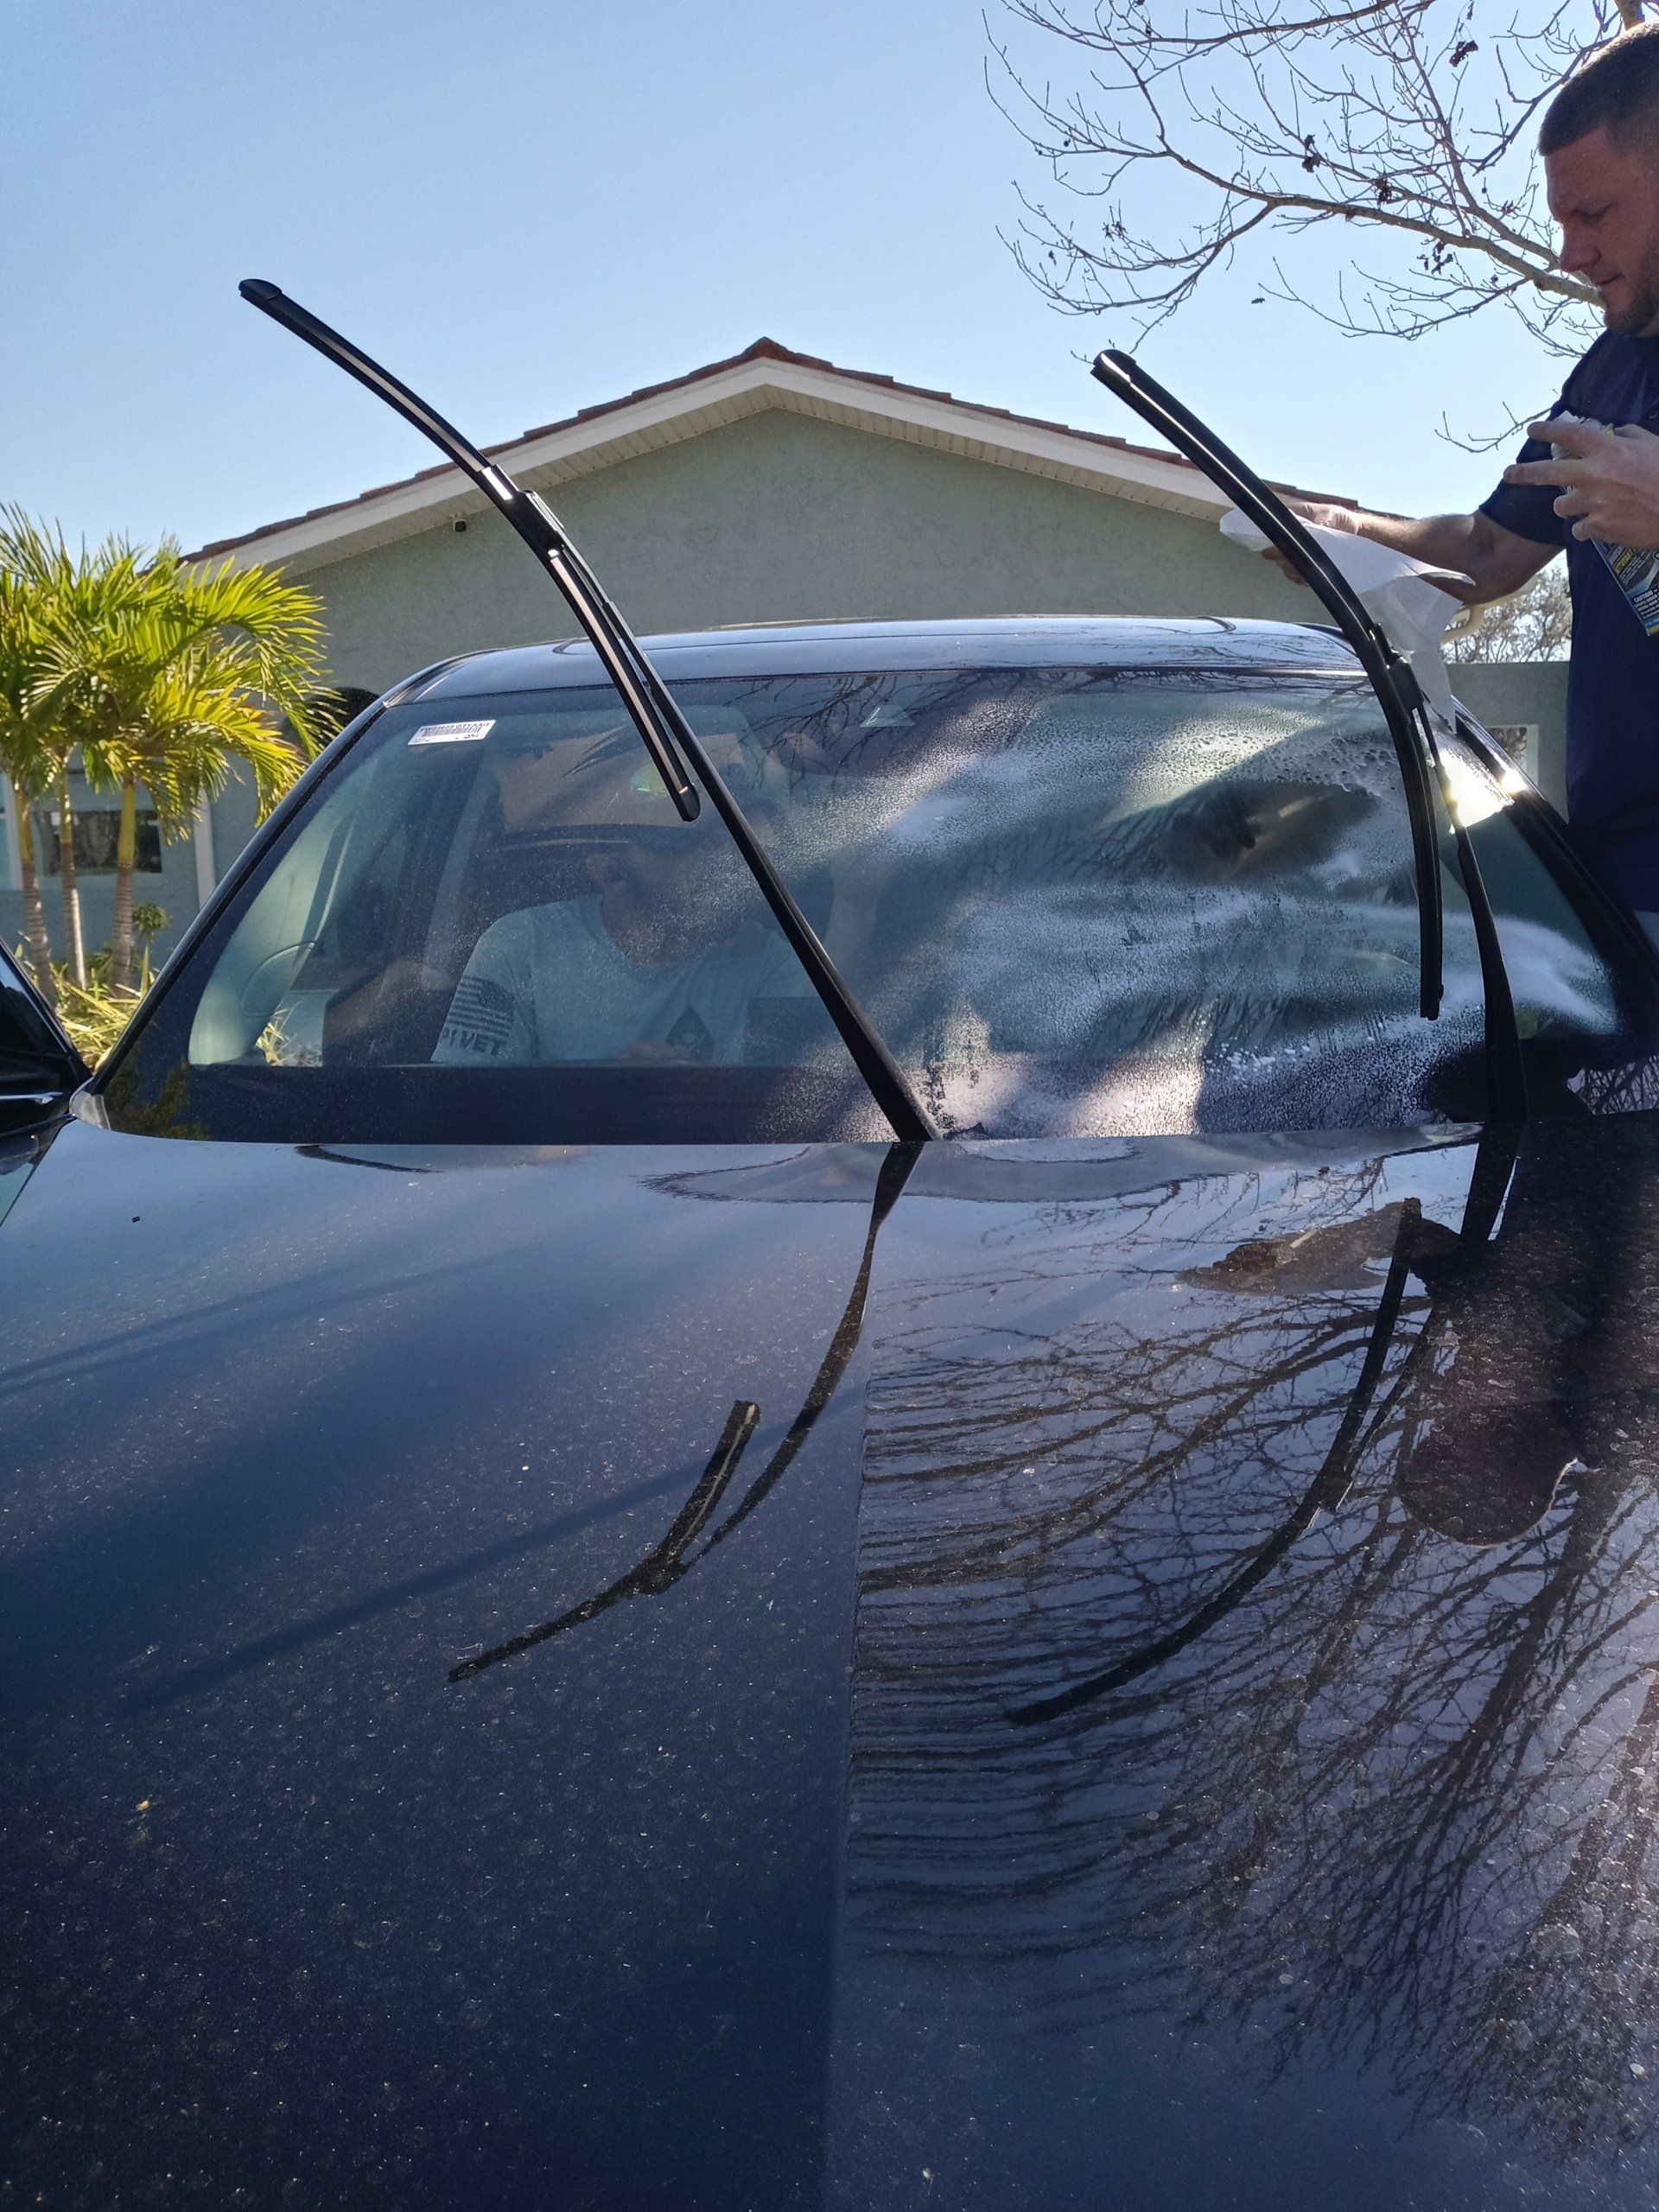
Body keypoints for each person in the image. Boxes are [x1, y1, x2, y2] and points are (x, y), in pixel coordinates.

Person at [1281, 25, 1659, 931]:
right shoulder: (1606, 376)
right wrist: (1346, 536)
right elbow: (1489, 554)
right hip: (1625, 883)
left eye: (1596, 215)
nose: (1570, 252)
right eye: (1561, 222)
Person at [433, 824, 808, 1066]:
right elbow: (464, 1114)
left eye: (721, 840)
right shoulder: (522, 945)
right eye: (681, 843)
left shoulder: (766, 960)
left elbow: (796, 1108)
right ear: (609, 871)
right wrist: (614, 1091)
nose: (717, 861)